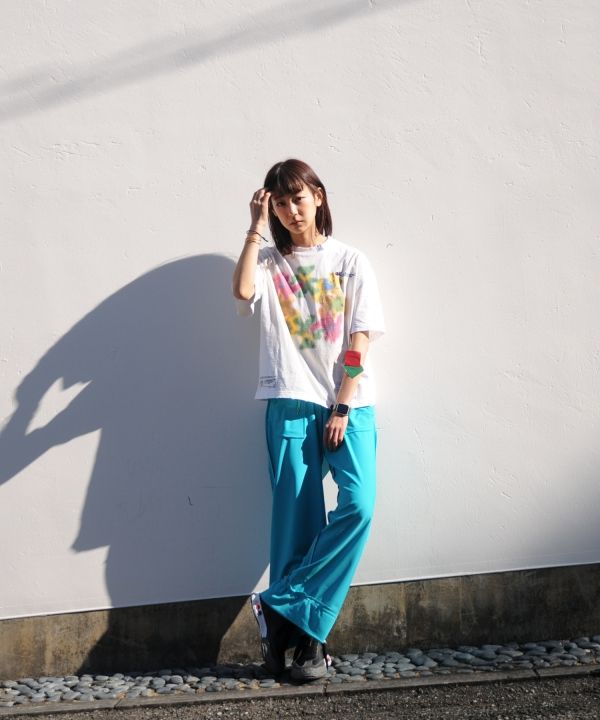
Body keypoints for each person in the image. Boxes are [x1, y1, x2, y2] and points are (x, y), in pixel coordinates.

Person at [232, 158, 385, 681]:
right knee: (295, 523)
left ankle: (280, 605)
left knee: (358, 505)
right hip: (290, 398)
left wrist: (342, 403)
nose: (291, 210)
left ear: (318, 196)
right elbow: (243, 292)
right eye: (279, 203)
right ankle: (303, 644)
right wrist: (255, 227)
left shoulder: (350, 261)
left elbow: (360, 340)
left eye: (297, 198)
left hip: (349, 402)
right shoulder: (269, 260)